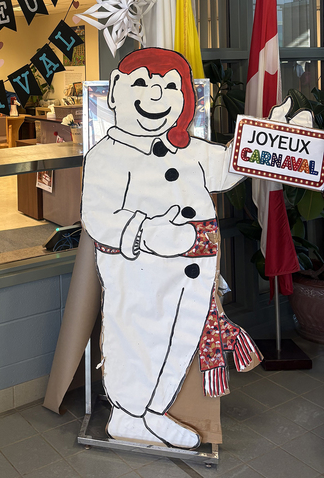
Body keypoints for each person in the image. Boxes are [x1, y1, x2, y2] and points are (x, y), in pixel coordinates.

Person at [81, 47, 261, 449]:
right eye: (143, 84)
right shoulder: (107, 155)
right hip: (140, 275)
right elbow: (99, 217)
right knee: (138, 339)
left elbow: (227, 165)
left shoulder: (188, 148)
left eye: (168, 86)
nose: (156, 95)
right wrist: (146, 233)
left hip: (191, 278)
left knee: (177, 345)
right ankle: (128, 413)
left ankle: (152, 412)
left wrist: (272, 140)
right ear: (115, 92)